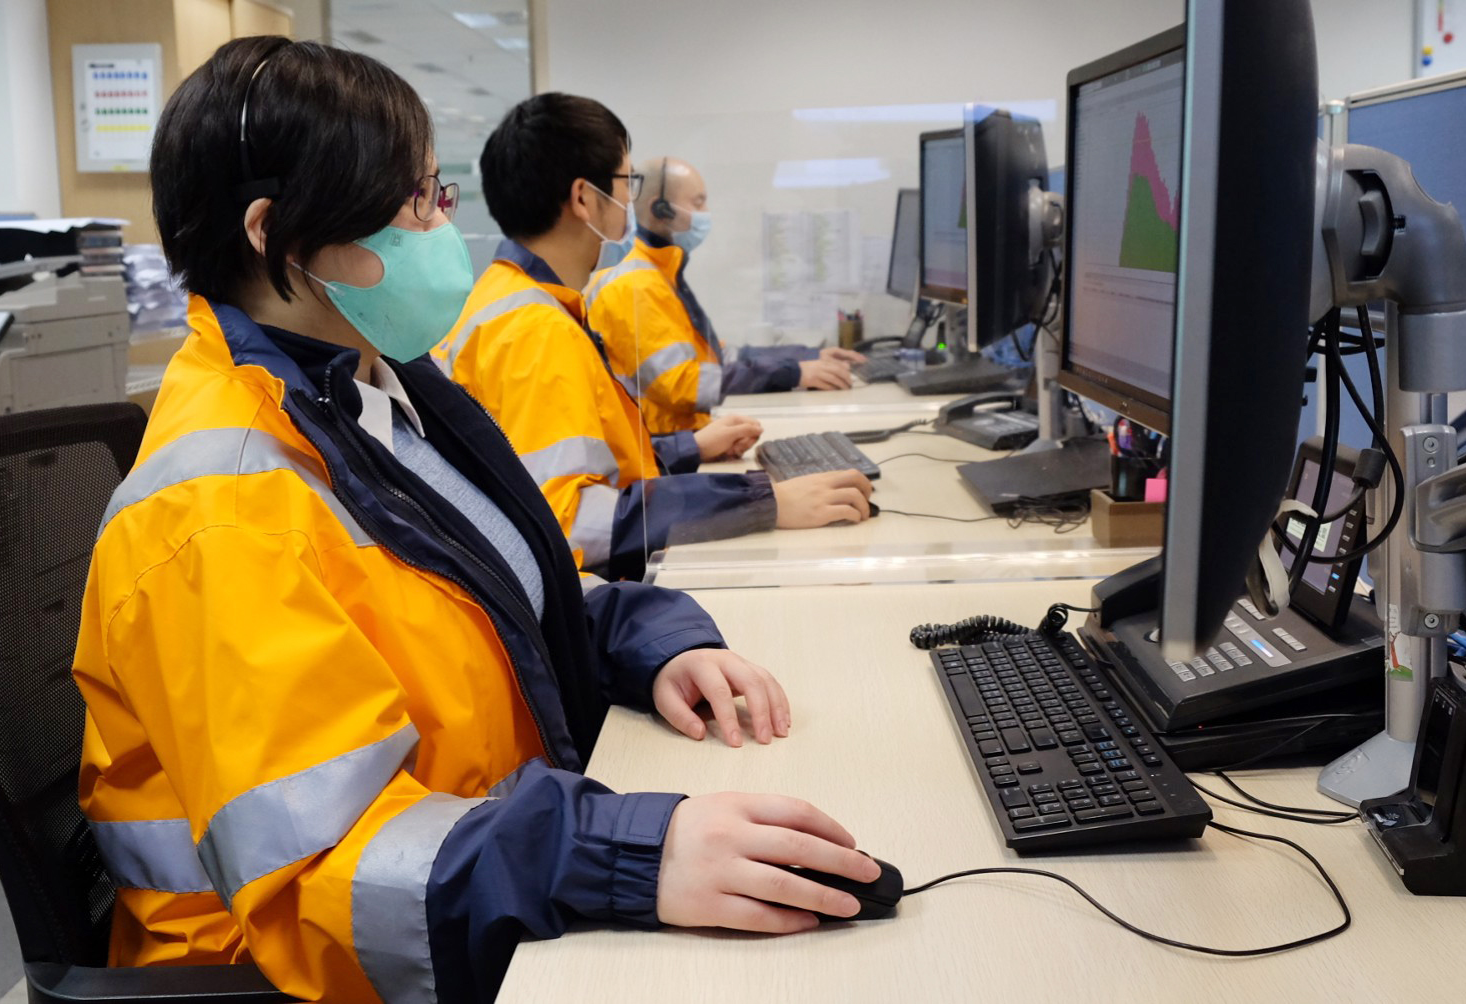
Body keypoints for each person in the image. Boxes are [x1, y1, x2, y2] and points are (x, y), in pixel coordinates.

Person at [72, 39, 880, 1004]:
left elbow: (504, 598)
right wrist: (625, 855)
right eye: (413, 202)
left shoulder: (368, 392)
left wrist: (651, 639)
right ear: (275, 231)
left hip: (477, 872)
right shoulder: (224, 515)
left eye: (435, 195)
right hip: (313, 970)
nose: (439, 228)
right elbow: (331, 876)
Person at [435, 95, 873, 581]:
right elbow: (572, 522)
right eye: (627, 183)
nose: (630, 202)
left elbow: (575, 471)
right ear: (584, 198)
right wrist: (762, 501)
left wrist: (689, 450)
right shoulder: (537, 332)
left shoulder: (511, 299)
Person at [587, 156, 867, 439]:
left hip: (679, 442)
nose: (706, 213)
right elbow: (686, 384)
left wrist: (807, 357)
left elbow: (719, 356)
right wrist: (794, 374)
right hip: (659, 456)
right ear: (661, 211)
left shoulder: (658, 270)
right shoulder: (634, 284)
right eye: (698, 203)